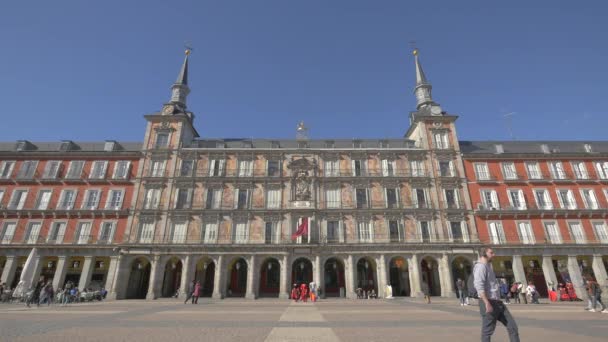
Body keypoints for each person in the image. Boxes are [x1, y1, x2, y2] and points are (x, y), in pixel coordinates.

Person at [473, 246, 519, 342]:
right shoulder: (480, 267)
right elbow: (479, 286)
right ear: (484, 254)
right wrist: (486, 302)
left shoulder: (488, 267)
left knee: (512, 326)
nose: (494, 255)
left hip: (498, 303)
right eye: (491, 253)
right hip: (488, 302)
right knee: (487, 331)